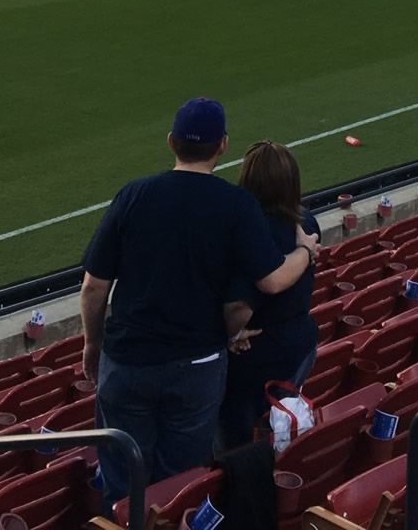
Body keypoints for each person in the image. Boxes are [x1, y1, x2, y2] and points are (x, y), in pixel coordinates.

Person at [80, 99, 316, 506]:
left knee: (122, 481)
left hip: (128, 358)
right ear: (222, 146)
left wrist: (92, 345)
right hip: (197, 365)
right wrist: (307, 252)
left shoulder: (134, 194)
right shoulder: (236, 205)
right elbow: (273, 279)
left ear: (171, 142)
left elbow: (93, 287)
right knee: (180, 485)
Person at [218, 141, 321, 448]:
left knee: (239, 442)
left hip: (257, 354)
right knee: (277, 420)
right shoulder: (305, 222)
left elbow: (240, 306)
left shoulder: (251, 232)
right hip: (299, 343)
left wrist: (230, 334)